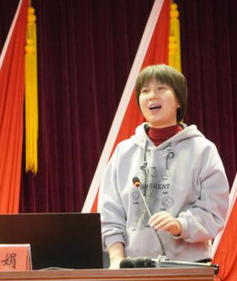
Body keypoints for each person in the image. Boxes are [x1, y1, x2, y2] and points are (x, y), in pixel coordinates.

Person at [98, 64, 229, 269]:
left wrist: (179, 225)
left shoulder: (203, 150)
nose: (152, 96)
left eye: (161, 88)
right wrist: (116, 260)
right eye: (145, 91)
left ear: (178, 100)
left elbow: (214, 210)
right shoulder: (124, 152)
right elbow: (109, 212)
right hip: (132, 268)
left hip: (187, 266)